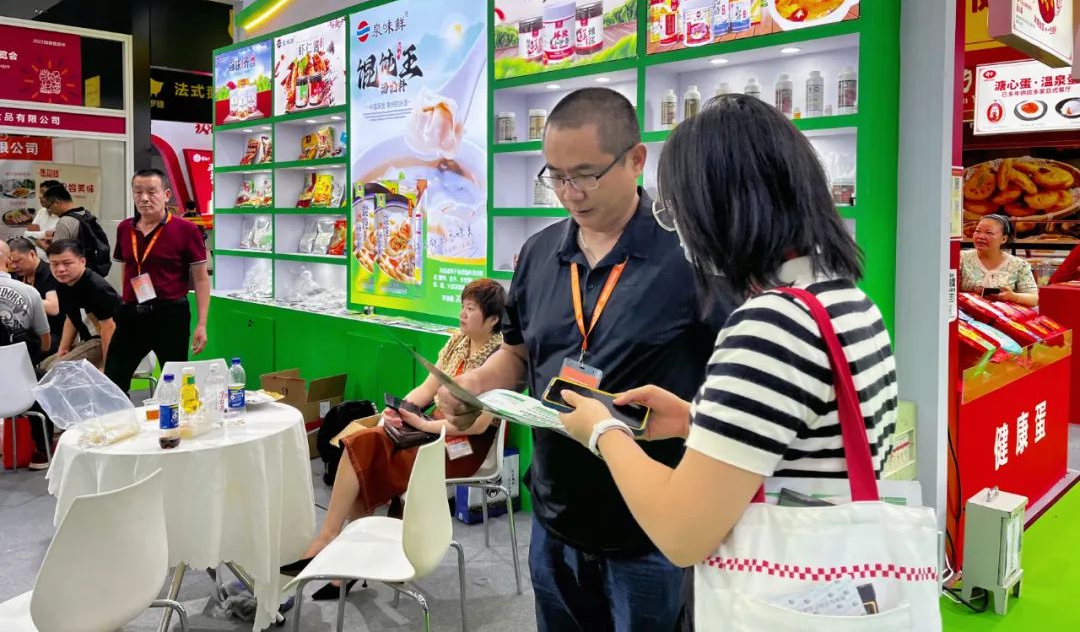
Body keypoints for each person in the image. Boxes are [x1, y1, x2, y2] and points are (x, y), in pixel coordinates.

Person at [555, 95, 899, 627]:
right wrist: (697, 420)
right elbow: (809, 441)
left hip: (779, 600)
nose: (678, 230)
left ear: (720, 208)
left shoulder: (772, 323)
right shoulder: (845, 302)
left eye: (677, 211)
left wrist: (603, 431)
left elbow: (681, 534)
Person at [439, 88, 733, 632]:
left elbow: (729, 385)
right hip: (555, 517)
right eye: (555, 176)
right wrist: (475, 385)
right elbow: (518, 353)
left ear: (637, 160)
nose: (570, 193)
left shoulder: (691, 255)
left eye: (586, 175)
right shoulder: (539, 252)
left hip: (650, 532)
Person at [281, 279, 507, 600]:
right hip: (433, 428)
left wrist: (423, 424)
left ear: (493, 318)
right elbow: (426, 389)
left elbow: (479, 426)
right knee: (364, 444)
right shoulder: (457, 343)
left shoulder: (500, 358)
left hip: (465, 446)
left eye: (471, 309)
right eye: (462, 306)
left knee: (373, 455)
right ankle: (332, 540)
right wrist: (401, 409)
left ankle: (346, 559)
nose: (462, 314)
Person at [106, 169, 209, 393]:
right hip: (132, 314)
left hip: (170, 315)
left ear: (166, 194)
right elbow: (126, 268)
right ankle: (120, 417)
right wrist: (125, 301)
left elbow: (201, 279)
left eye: (152, 192)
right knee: (114, 378)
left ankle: (175, 416)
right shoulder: (125, 228)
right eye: (138, 192)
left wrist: (202, 323)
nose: (144, 198)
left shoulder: (187, 230)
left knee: (175, 381)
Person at [0, 239, 53, 469]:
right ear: (9, 260)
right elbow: (45, 342)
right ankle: (42, 450)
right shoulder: (30, 293)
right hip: (20, 386)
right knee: (41, 379)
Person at [43, 240, 121, 372]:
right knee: (43, 367)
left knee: (56, 369)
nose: (60, 269)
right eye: (54, 264)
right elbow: (71, 317)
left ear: (82, 261)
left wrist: (108, 367)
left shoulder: (97, 288)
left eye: (67, 263)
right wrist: (64, 347)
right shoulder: (63, 284)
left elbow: (109, 327)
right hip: (89, 340)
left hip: (112, 341)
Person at [960, 215, 1039, 307]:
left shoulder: (1019, 265)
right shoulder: (961, 258)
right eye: (977, 231)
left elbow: (1034, 299)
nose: (981, 236)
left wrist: (1014, 297)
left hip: (1005, 314)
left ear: (1004, 239)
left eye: (989, 233)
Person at [7, 236, 63, 356]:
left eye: (17, 261)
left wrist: (23, 297)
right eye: (11, 262)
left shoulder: (49, 273)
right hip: (24, 333)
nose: (14, 266)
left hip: (51, 334)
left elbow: (53, 308)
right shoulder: (17, 275)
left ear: (32, 254)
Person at [24, 180, 63, 251]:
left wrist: (36, 237)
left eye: (43, 192)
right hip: (34, 254)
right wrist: (45, 234)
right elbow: (26, 234)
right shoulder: (41, 211)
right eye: (40, 192)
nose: (40, 196)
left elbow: (56, 246)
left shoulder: (65, 217)